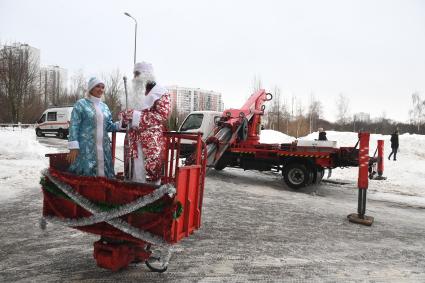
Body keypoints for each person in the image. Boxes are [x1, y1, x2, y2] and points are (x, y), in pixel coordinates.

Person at [120, 62, 171, 184]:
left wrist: (135, 115)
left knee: (150, 177)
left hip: (150, 142)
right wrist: (124, 118)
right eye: (134, 74)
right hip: (132, 140)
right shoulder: (133, 93)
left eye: (137, 74)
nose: (134, 78)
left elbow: (162, 116)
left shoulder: (162, 93)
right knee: (133, 175)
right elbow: (125, 113)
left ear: (146, 74)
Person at [67, 77, 119, 178]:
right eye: (97, 86)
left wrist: (121, 124)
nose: (101, 89)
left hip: (104, 147)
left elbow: (108, 125)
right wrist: (73, 146)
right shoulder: (81, 104)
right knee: (87, 174)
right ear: (91, 88)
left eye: (103, 87)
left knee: (104, 173)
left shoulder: (105, 107)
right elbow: (74, 125)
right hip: (86, 147)